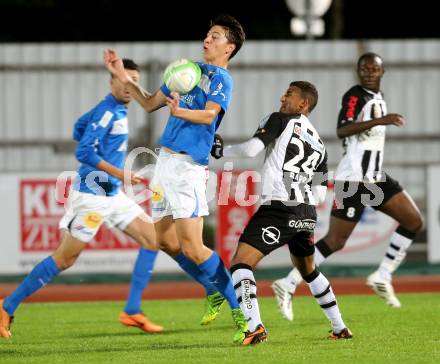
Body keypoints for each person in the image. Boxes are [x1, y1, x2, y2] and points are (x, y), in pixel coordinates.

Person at [0, 59, 172, 339]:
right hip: (91, 198)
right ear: (112, 81)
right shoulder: (107, 112)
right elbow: (83, 151)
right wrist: (121, 173)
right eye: (124, 79)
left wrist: (113, 170)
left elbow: (78, 128)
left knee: (153, 239)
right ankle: (7, 306)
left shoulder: (114, 109)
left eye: (135, 81)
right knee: (65, 259)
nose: (130, 86)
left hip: (112, 194)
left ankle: (132, 309)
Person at [104, 14, 249, 344]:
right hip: (164, 165)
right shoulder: (188, 72)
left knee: (195, 248)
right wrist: (121, 75)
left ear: (230, 47)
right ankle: (212, 289)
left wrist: (180, 111)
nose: (207, 39)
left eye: (215, 36)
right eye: (207, 34)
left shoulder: (221, 80)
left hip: (187, 169)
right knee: (166, 242)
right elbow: (149, 101)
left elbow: (210, 114)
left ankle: (243, 313)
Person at [272, 53, 424, 321]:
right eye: (364, 68)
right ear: (358, 71)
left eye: (373, 68)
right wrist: (382, 120)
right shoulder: (356, 95)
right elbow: (343, 129)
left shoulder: (377, 96)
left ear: (382, 71)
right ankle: (289, 282)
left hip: (374, 177)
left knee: (413, 220)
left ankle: (383, 274)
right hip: (353, 179)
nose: (368, 72)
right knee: (336, 240)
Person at [211, 81, 353, 344]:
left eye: (289, 94)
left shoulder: (280, 119)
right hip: (307, 212)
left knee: (241, 263)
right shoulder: (320, 144)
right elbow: (321, 194)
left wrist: (221, 150)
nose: (282, 97)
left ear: (303, 104)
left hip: (279, 208)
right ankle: (339, 327)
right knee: (309, 270)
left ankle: (254, 327)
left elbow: (252, 148)